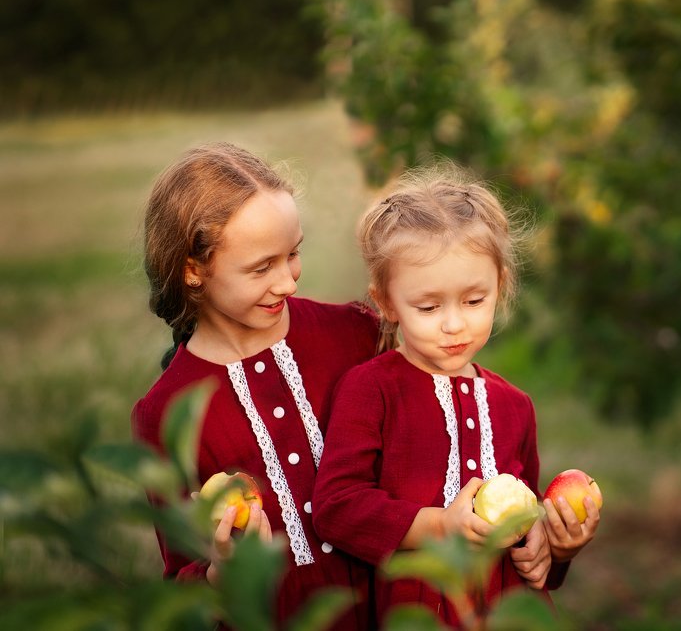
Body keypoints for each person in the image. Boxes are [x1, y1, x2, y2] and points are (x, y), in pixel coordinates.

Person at [311, 162, 599, 627]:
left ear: (499, 286)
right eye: (427, 306)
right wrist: (437, 525)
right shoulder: (373, 388)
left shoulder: (515, 407)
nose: (454, 324)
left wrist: (553, 547)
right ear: (385, 302)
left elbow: (526, 534)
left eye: (474, 300)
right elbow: (336, 507)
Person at [132, 142, 380, 629]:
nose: (288, 282)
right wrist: (219, 573)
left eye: (293, 254)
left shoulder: (357, 335)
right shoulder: (167, 412)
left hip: (392, 606)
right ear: (193, 270)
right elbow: (180, 578)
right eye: (261, 267)